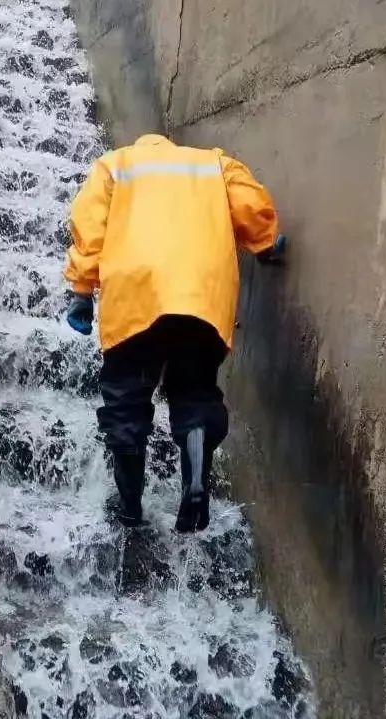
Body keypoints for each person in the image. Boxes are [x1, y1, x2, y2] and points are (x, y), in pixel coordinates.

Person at [63, 134, 285, 533]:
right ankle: (195, 479)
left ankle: (129, 506)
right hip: (202, 297)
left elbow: (89, 228)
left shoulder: (115, 164)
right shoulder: (214, 164)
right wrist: (265, 244)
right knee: (195, 390)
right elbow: (252, 205)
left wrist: (81, 291)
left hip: (135, 296)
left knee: (126, 400)